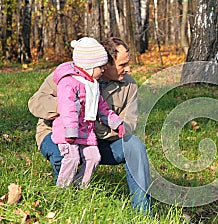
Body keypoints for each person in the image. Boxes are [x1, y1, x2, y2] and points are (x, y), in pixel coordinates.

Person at [28, 37, 152, 214]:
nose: (128, 69)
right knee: (65, 157)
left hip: (96, 140)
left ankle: (143, 212)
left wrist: (93, 122)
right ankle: (64, 204)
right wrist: (71, 108)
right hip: (59, 135)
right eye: (122, 64)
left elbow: (129, 125)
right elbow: (35, 103)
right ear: (105, 64)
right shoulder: (68, 74)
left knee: (134, 146)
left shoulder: (129, 85)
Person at [51, 37, 125, 188]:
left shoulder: (92, 85)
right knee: (72, 159)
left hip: (86, 133)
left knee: (94, 157)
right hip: (68, 133)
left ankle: (80, 186)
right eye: (101, 67)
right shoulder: (69, 82)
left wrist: (116, 123)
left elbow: (102, 108)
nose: (104, 70)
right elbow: (67, 108)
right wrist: (71, 130)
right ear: (89, 66)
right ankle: (62, 189)